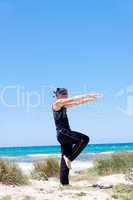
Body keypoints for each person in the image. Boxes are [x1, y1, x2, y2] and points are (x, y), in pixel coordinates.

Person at [52, 88, 101, 186]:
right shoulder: (57, 104)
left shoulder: (63, 106)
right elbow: (73, 100)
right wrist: (88, 95)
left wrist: (90, 99)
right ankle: (69, 157)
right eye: (63, 94)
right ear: (58, 95)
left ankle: (64, 184)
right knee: (84, 139)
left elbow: (76, 102)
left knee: (64, 159)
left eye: (66, 93)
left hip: (65, 134)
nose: (66, 95)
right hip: (63, 133)